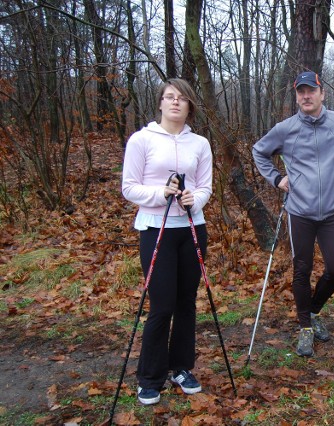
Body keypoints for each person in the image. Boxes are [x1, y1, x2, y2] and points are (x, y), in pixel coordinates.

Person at [252, 71, 334, 357]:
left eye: (311, 91)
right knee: (302, 269)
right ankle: (305, 326)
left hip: (333, 210)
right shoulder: (286, 128)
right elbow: (259, 151)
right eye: (300, 92)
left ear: (322, 93)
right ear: (296, 96)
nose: (306, 96)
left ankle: (313, 310)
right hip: (299, 211)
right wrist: (277, 179)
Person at [122, 78, 213, 405]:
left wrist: (194, 199)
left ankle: (181, 367)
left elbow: (206, 187)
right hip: (154, 228)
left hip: (191, 228)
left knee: (186, 301)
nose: (175, 102)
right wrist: (161, 194)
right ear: (160, 103)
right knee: (161, 304)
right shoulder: (141, 140)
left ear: (189, 106)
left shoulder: (200, 143)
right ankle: (150, 376)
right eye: (169, 97)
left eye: (182, 98)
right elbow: (129, 187)